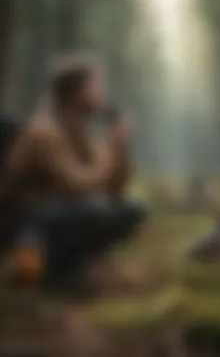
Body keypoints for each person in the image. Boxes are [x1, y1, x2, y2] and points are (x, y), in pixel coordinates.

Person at [1, 53, 146, 290]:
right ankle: (34, 266)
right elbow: (75, 185)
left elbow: (112, 189)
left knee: (129, 210)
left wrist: (122, 151)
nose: (103, 92)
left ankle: (68, 267)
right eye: (97, 85)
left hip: (58, 211)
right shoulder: (44, 129)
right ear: (78, 92)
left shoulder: (80, 130)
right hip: (23, 218)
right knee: (93, 210)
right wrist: (110, 151)